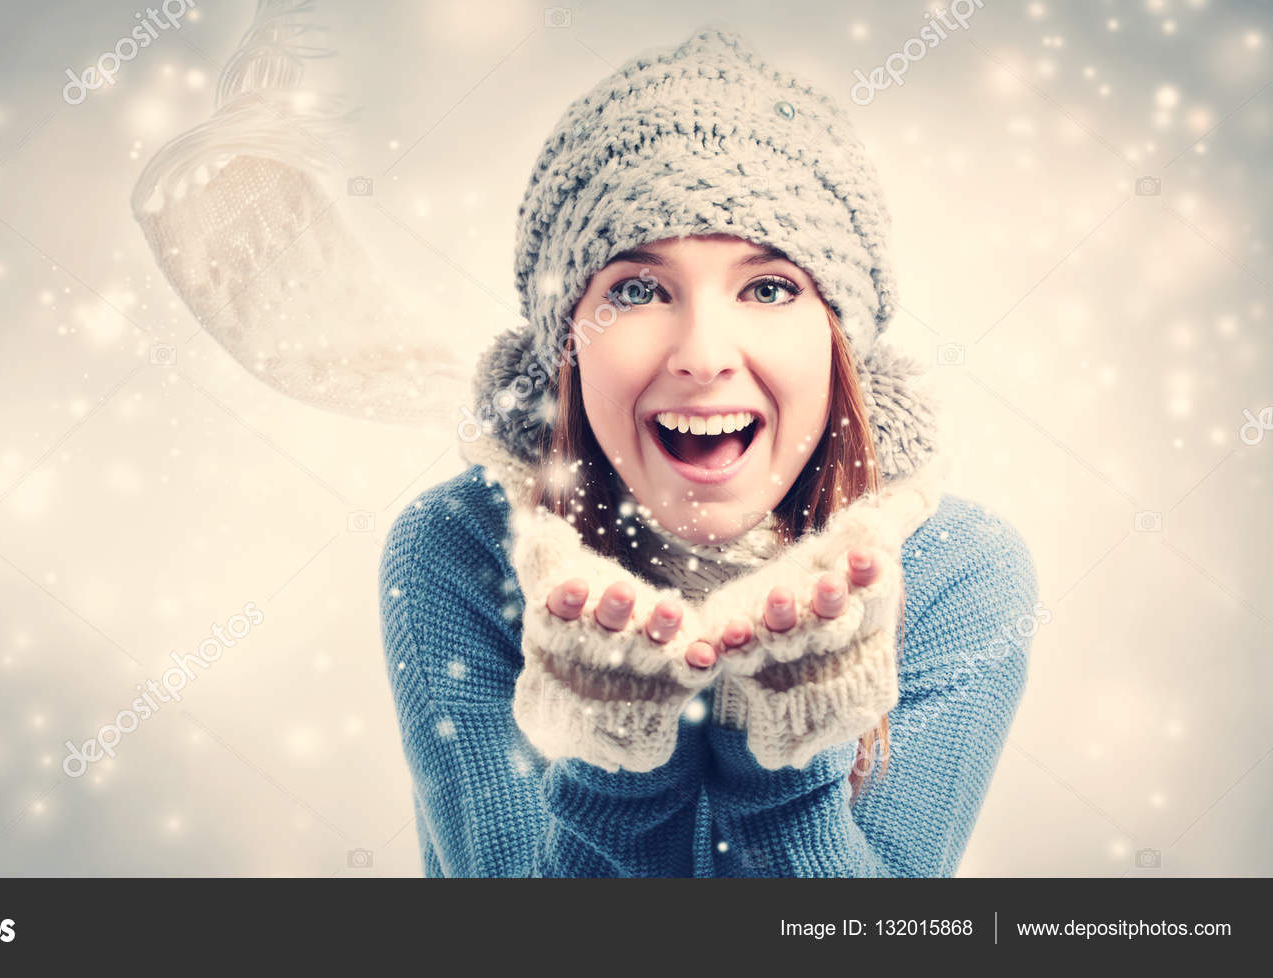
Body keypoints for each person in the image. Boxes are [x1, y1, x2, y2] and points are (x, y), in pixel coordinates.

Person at [377, 26, 1039, 877]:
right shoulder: (462, 551)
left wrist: (787, 753)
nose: (702, 352)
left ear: (841, 341)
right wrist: (617, 762)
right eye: (638, 289)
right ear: (566, 340)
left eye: (768, 287)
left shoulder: (959, 569)